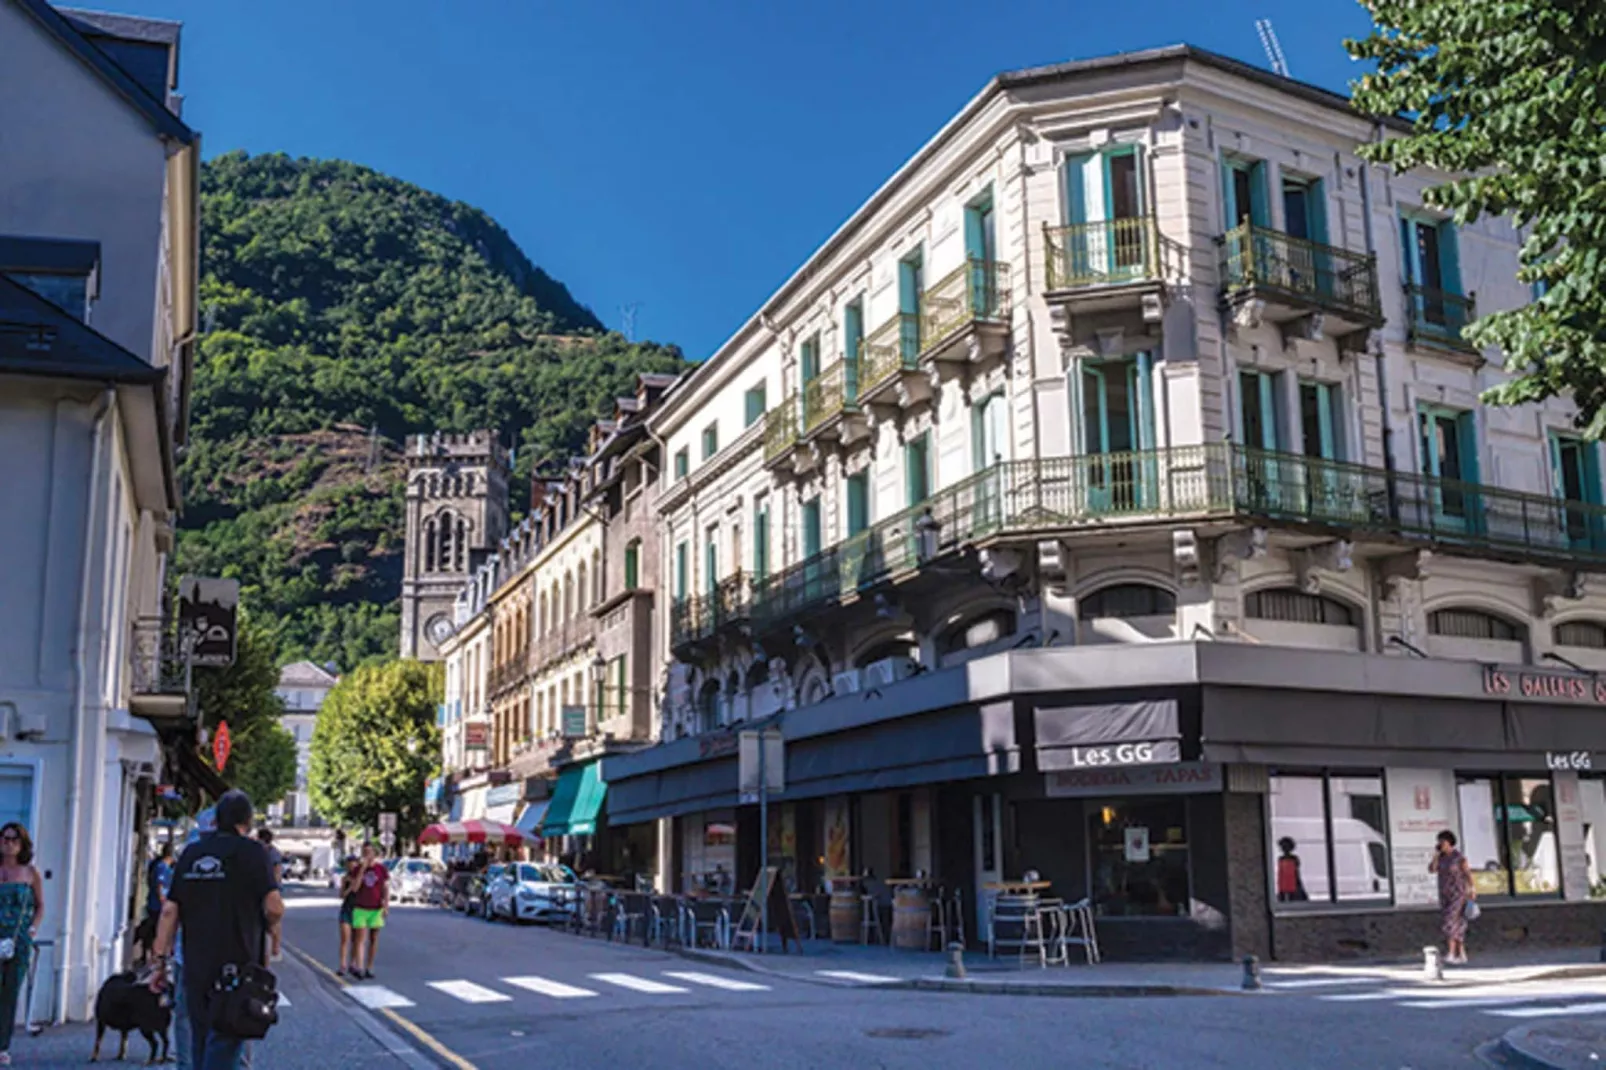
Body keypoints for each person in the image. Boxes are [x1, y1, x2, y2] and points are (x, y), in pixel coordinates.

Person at [151, 791, 283, 1070]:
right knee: (227, 1041)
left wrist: (159, 963)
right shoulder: (252, 852)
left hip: (195, 966)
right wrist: (269, 929)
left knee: (199, 1041)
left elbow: (169, 911)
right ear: (246, 822)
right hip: (238, 968)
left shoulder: (192, 853)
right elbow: (274, 906)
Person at [0, 823, 43, 1067]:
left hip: (18, 939)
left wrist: (33, 928)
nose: (9, 843)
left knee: (9, 993)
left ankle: (2, 1046)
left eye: (14, 840)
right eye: (5, 839)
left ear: (22, 844)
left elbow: (40, 905)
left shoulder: (30, 873)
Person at [1429, 829, 1476, 964]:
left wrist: (1472, 888)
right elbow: (1432, 869)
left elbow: (1467, 874)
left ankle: (1451, 952)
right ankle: (1461, 953)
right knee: (1458, 923)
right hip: (1445, 893)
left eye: (1442, 842)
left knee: (1449, 922)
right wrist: (1435, 856)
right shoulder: (1441, 858)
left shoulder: (1459, 857)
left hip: (1458, 893)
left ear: (1449, 843)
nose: (1440, 845)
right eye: (1439, 842)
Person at [349, 842, 388, 979]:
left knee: (374, 938)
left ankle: (369, 966)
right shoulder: (358, 869)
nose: (367, 855)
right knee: (360, 938)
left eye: (370, 852)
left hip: (376, 908)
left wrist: (386, 906)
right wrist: (362, 870)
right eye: (365, 852)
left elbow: (385, 888)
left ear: (374, 854)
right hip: (360, 907)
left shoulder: (381, 869)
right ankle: (359, 967)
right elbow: (354, 888)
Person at [255, 830, 283, 962]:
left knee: (273, 919)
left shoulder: (272, 853)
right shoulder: (269, 851)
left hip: (269, 889)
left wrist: (274, 888)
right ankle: (273, 950)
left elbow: (277, 871)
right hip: (267, 888)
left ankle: (275, 949)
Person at [336, 857, 360, 977]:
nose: (351, 868)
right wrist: (350, 886)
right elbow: (341, 895)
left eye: (353, 865)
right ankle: (342, 965)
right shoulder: (345, 879)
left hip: (358, 909)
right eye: (349, 865)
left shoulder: (361, 878)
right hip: (347, 908)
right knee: (345, 938)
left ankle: (353, 963)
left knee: (356, 939)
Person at [1275, 837, 1307, 902]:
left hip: (1292, 885)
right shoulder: (1281, 859)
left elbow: (1295, 874)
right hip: (1285, 885)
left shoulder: (1293, 859)